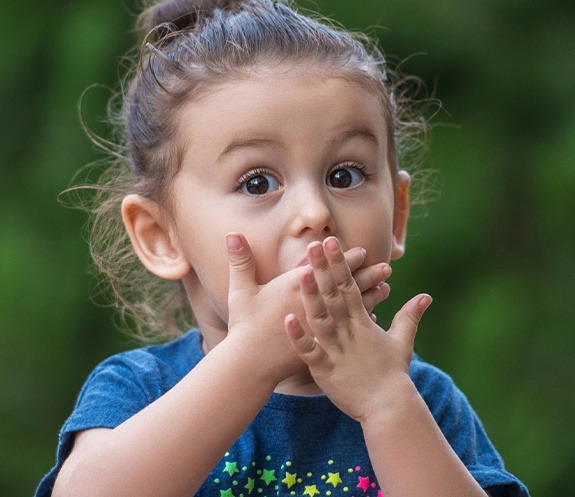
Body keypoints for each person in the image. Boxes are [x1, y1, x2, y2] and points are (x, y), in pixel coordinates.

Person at [35, 1, 530, 496]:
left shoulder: (422, 401)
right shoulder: (140, 390)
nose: (315, 211)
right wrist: (250, 359)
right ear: (161, 236)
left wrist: (386, 405)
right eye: (257, 183)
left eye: (345, 175)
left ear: (397, 215)